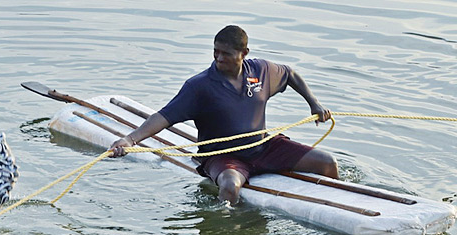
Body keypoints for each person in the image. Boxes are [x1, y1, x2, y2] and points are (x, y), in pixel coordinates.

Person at [109, 25, 337, 203]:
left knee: (327, 162)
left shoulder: (260, 71)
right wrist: (130, 140)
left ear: (244, 53)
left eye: (226, 54)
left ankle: (340, 199)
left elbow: (290, 74)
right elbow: (164, 116)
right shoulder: (199, 86)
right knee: (229, 185)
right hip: (223, 156)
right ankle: (229, 227)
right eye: (215, 52)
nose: (218, 59)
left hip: (264, 147)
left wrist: (314, 104)